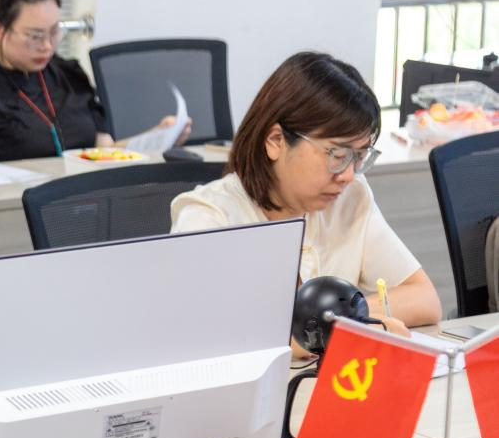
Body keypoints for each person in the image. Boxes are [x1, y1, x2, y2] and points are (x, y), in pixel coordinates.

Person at [171, 51, 442, 336]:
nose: (348, 175)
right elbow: (200, 333)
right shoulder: (209, 218)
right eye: (338, 155)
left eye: (360, 156)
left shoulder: (351, 198)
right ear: (276, 141)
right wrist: (336, 322)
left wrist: (332, 319)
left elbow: (424, 298)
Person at [0, 0, 187, 163]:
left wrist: (157, 137)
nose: (47, 46)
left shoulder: (68, 76)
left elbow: (104, 150)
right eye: (34, 36)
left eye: (54, 32)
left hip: (80, 198)